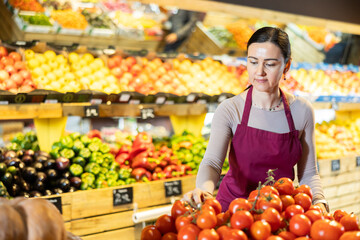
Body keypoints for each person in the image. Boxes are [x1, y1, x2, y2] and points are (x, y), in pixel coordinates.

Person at [183, 26, 329, 213]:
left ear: (286, 66)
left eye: (270, 64)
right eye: (253, 62)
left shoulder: (302, 111)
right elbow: (212, 162)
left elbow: (308, 172)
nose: (259, 72)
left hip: (278, 214)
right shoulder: (230, 109)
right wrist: (204, 190)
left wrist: (319, 201)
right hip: (233, 213)